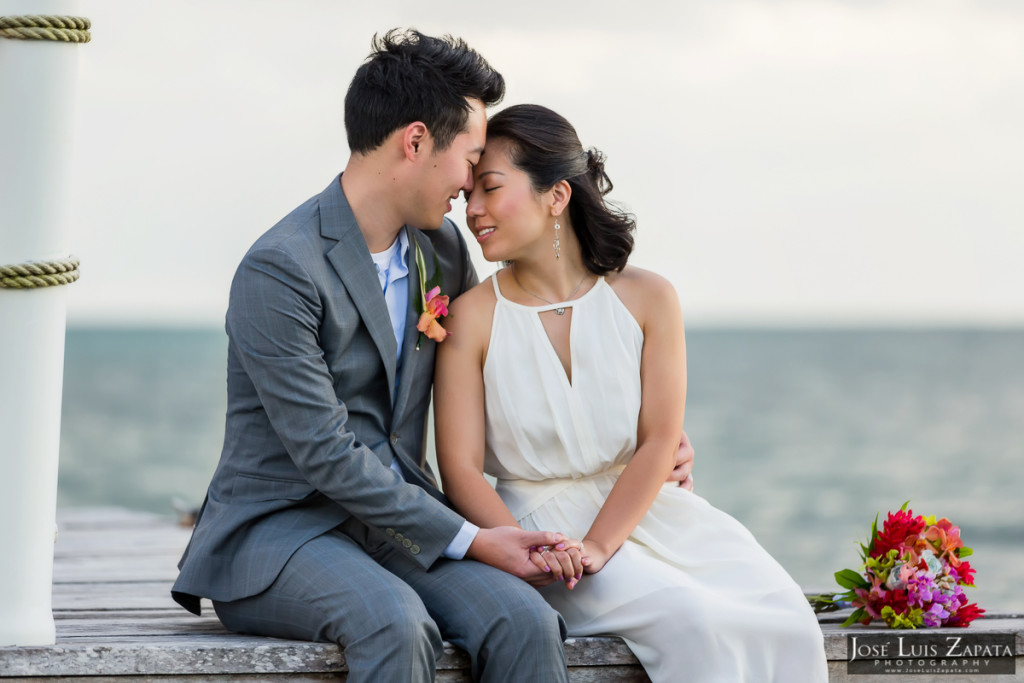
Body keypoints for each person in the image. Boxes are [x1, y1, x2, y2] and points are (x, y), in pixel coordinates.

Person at [170, 29, 694, 682]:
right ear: (415, 141)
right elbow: (326, 450)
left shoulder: (440, 249)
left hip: (397, 529)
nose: (472, 181)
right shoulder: (280, 269)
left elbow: (501, 375)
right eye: (470, 157)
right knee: (394, 621)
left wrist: (644, 434)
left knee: (525, 618)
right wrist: (474, 538)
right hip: (280, 534)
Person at [434, 104, 829, 682]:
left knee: (787, 614)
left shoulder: (649, 298)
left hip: (650, 511)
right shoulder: (470, 318)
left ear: (557, 196)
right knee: (691, 618)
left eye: (490, 189)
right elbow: (461, 470)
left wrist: (600, 543)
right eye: (470, 193)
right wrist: (531, 549)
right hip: (541, 533)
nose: (472, 209)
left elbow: (659, 441)